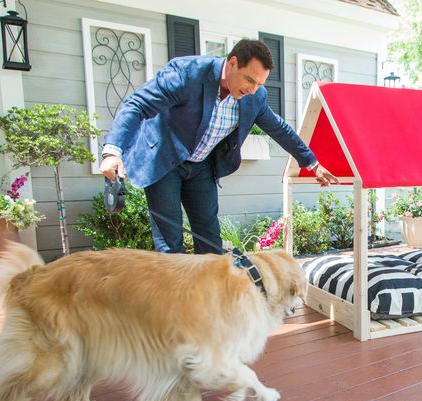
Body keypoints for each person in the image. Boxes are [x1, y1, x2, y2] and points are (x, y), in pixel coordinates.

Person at [100, 39, 338, 254]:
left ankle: (211, 301)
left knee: (210, 241)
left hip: (201, 165)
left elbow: (279, 129)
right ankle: (178, 301)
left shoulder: (255, 96)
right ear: (232, 63)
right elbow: (137, 105)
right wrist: (112, 151)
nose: (253, 89)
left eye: (259, 83)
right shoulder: (188, 73)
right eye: (249, 79)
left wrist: (312, 163)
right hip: (164, 160)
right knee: (170, 245)